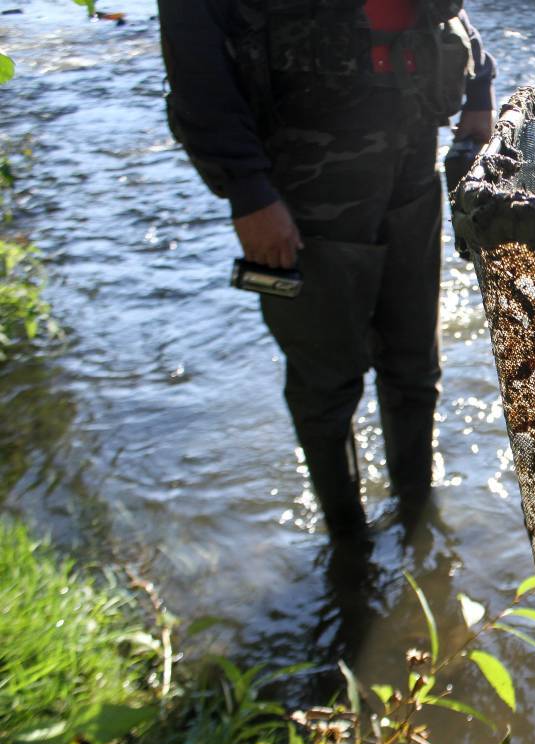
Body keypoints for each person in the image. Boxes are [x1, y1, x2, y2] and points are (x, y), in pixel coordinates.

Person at [157, 0, 496, 535]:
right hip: (303, 179)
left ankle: (418, 523)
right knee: (325, 387)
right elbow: (195, 56)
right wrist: (247, 191)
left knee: (415, 368)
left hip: (412, 159)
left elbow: (445, 12)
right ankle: (347, 544)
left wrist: (479, 86)